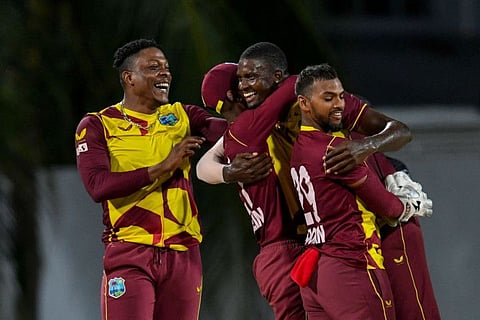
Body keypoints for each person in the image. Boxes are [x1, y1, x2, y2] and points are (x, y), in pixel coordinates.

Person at [74, 38, 229, 320]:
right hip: (130, 251)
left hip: (183, 253)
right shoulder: (98, 125)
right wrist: (164, 166)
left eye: (166, 68)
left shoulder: (182, 115)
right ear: (129, 77)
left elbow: (235, 137)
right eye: (153, 67)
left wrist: (241, 107)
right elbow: (98, 187)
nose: (165, 73)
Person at [289, 63, 432, 319]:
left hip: (316, 270)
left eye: (341, 97)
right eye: (328, 98)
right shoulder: (337, 149)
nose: (339, 105)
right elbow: (388, 207)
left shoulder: (299, 146)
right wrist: (410, 205)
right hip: (352, 264)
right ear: (304, 103)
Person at [199, 58, 307, 320]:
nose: (251, 83)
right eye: (244, 79)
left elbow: (202, 167)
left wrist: (225, 173)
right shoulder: (251, 127)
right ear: (233, 92)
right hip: (285, 250)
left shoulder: (236, 134)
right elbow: (297, 82)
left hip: (275, 252)